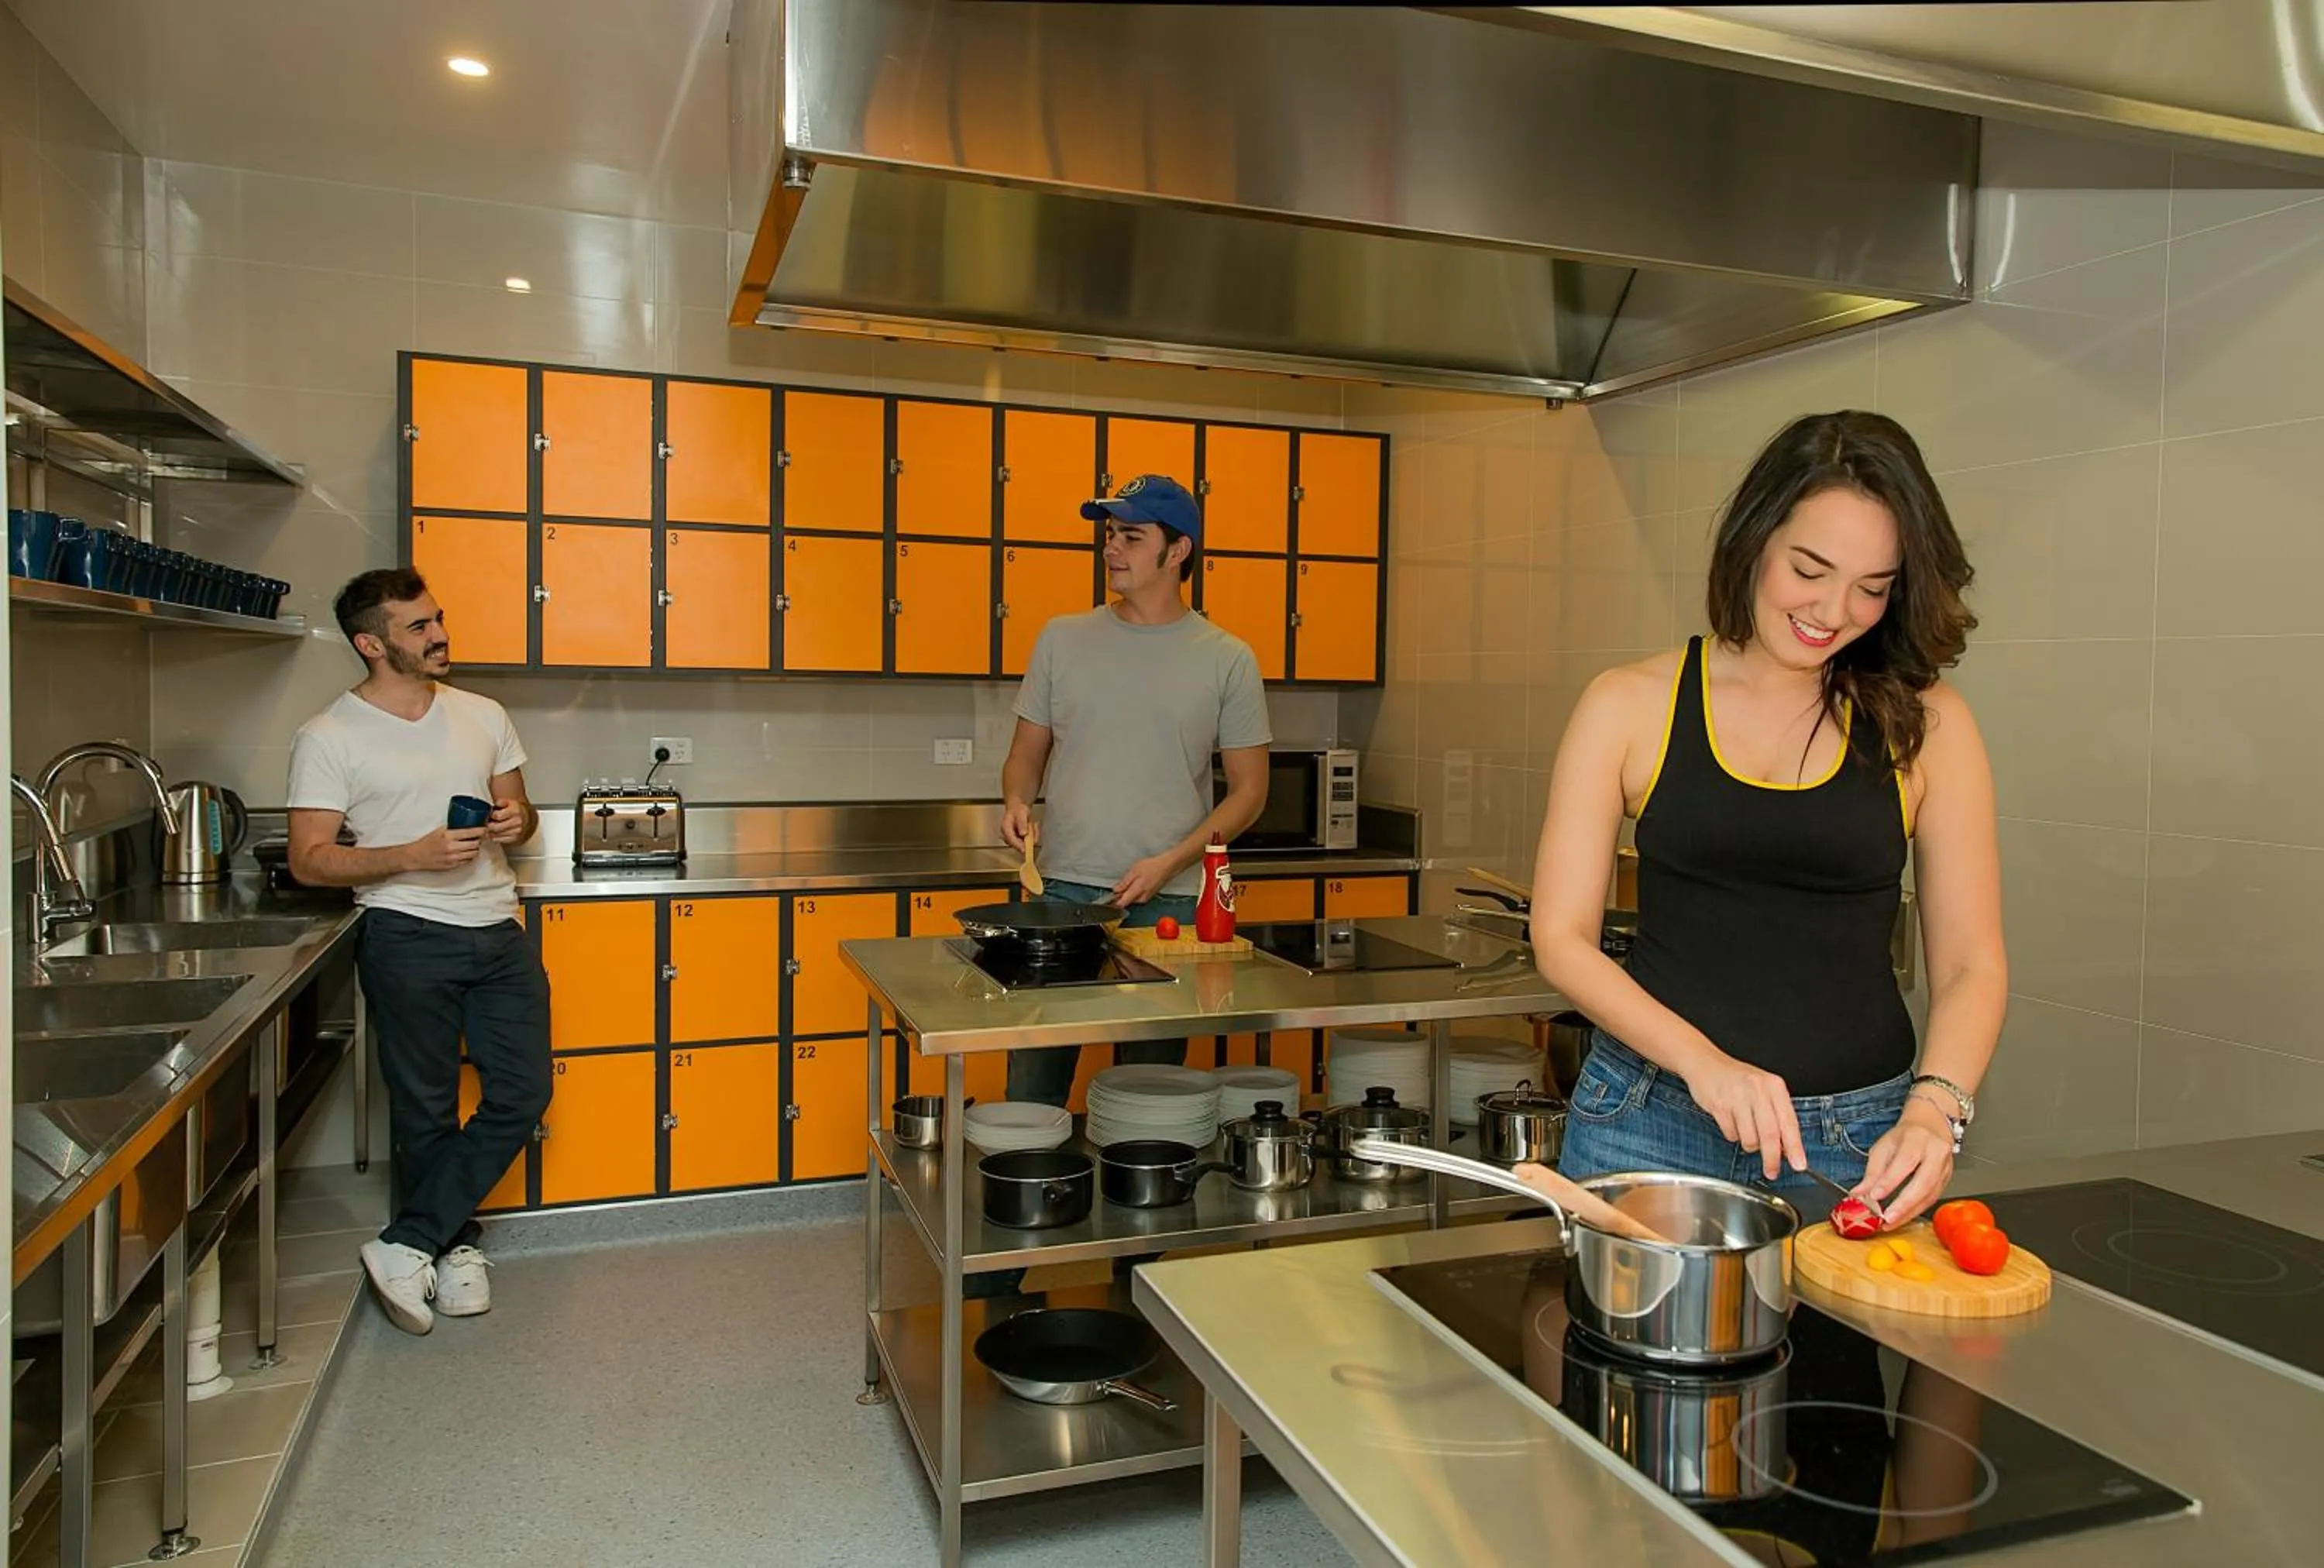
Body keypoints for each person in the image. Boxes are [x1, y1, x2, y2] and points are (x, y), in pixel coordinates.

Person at [1530, 411, 2004, 1227]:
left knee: (1836, 1360)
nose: (1833, 608)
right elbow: (1560, 937)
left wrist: (1935, 1108)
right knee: (1627, 1355)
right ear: (1756, 537)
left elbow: (1969, 964)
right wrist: (1705, 1063)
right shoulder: (1627, 704)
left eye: (1873, 586)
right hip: (1650, 1119)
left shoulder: (1929, 723)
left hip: (1856, 1143)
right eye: (1810, 569)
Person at [287, 568, 552, 1335]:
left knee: (523, 1092)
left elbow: (526, 812)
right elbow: (310, 858)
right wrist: (414, 853)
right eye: (417, 626)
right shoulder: (328, 735)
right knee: (426, 1106)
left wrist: (514, 821)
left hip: (496, 927)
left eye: (438, 617)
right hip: (405, 931)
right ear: (371, 643)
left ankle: (409, 1238)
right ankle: (454, 1246)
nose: (439, 634)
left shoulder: (483, 713)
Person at [998, 473, 1273, 1102]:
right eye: (1109, 535)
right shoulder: (1062, 639)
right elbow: (1024, 757)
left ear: (1177, 552)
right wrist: (1016, 800)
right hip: (1061, 888)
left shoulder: (1227, 657)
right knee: (1033, 1080)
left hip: (1170, 901)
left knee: (1151, 1093)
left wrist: (1171, 863)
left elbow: (1249, 793)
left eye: (1131, 535)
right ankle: (1035, 1187)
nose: (1111, 549)